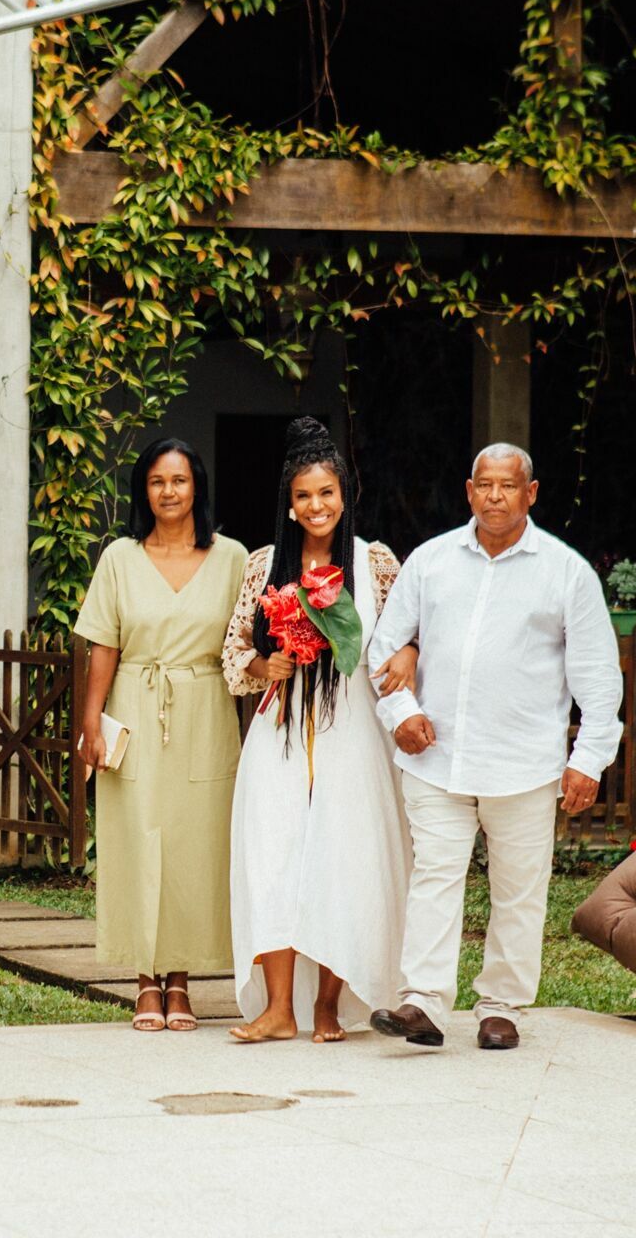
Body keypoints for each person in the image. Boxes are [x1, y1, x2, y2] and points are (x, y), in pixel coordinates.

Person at [364, 443, 622, 1050]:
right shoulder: (430, 562)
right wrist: (402, 712)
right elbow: (384, 647)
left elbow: (598, 676)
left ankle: (501, 1006)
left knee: (519, 888)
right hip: (435, 759)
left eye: (509, 486)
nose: (495, 496)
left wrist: (588, 759)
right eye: (485, 485)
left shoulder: (566, 571)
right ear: (469, 490)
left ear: (531, 493)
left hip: (525, 762)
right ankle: (421, 1002)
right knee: (433, 876)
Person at [220, 417, 416, 1043]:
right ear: (290, 502)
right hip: (279, 732)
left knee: (343, 859)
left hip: (353, 733)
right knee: (274, 855)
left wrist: (408, 655)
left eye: (326, 493)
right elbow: (233, 656)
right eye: (303, 496)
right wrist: (263, 663)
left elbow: (409, 635)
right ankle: (278, 1009)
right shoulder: (264, 565)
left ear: (344, 494)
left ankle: (329, 1005)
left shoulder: (375, 562)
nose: (315, 506)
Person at [75, 437, 247, 1032]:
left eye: (178, 480)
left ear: (196, 485)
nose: (169, 491)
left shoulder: (232, 558)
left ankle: (182, 980)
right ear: (143, 491)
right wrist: (90, 723)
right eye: (156, 481)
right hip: (135, 706)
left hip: (205, 709)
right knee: (136, 839)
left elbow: (247, 647)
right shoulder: (119, 558)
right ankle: (145, 981)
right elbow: (103, 646)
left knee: (197, 845)